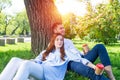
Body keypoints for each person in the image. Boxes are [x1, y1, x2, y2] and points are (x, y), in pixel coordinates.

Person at [0, 33, 106, 80]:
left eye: (61, 40)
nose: (60, 42)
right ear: (53, 42)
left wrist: (94, 67)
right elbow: (36, 61)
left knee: (26, 64)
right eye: (57, 40)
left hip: (50, 75)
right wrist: (23, 61)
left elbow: (82, 60)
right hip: (40, 69)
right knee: (15, 60)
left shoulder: (67, 53)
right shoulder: (46, 52)